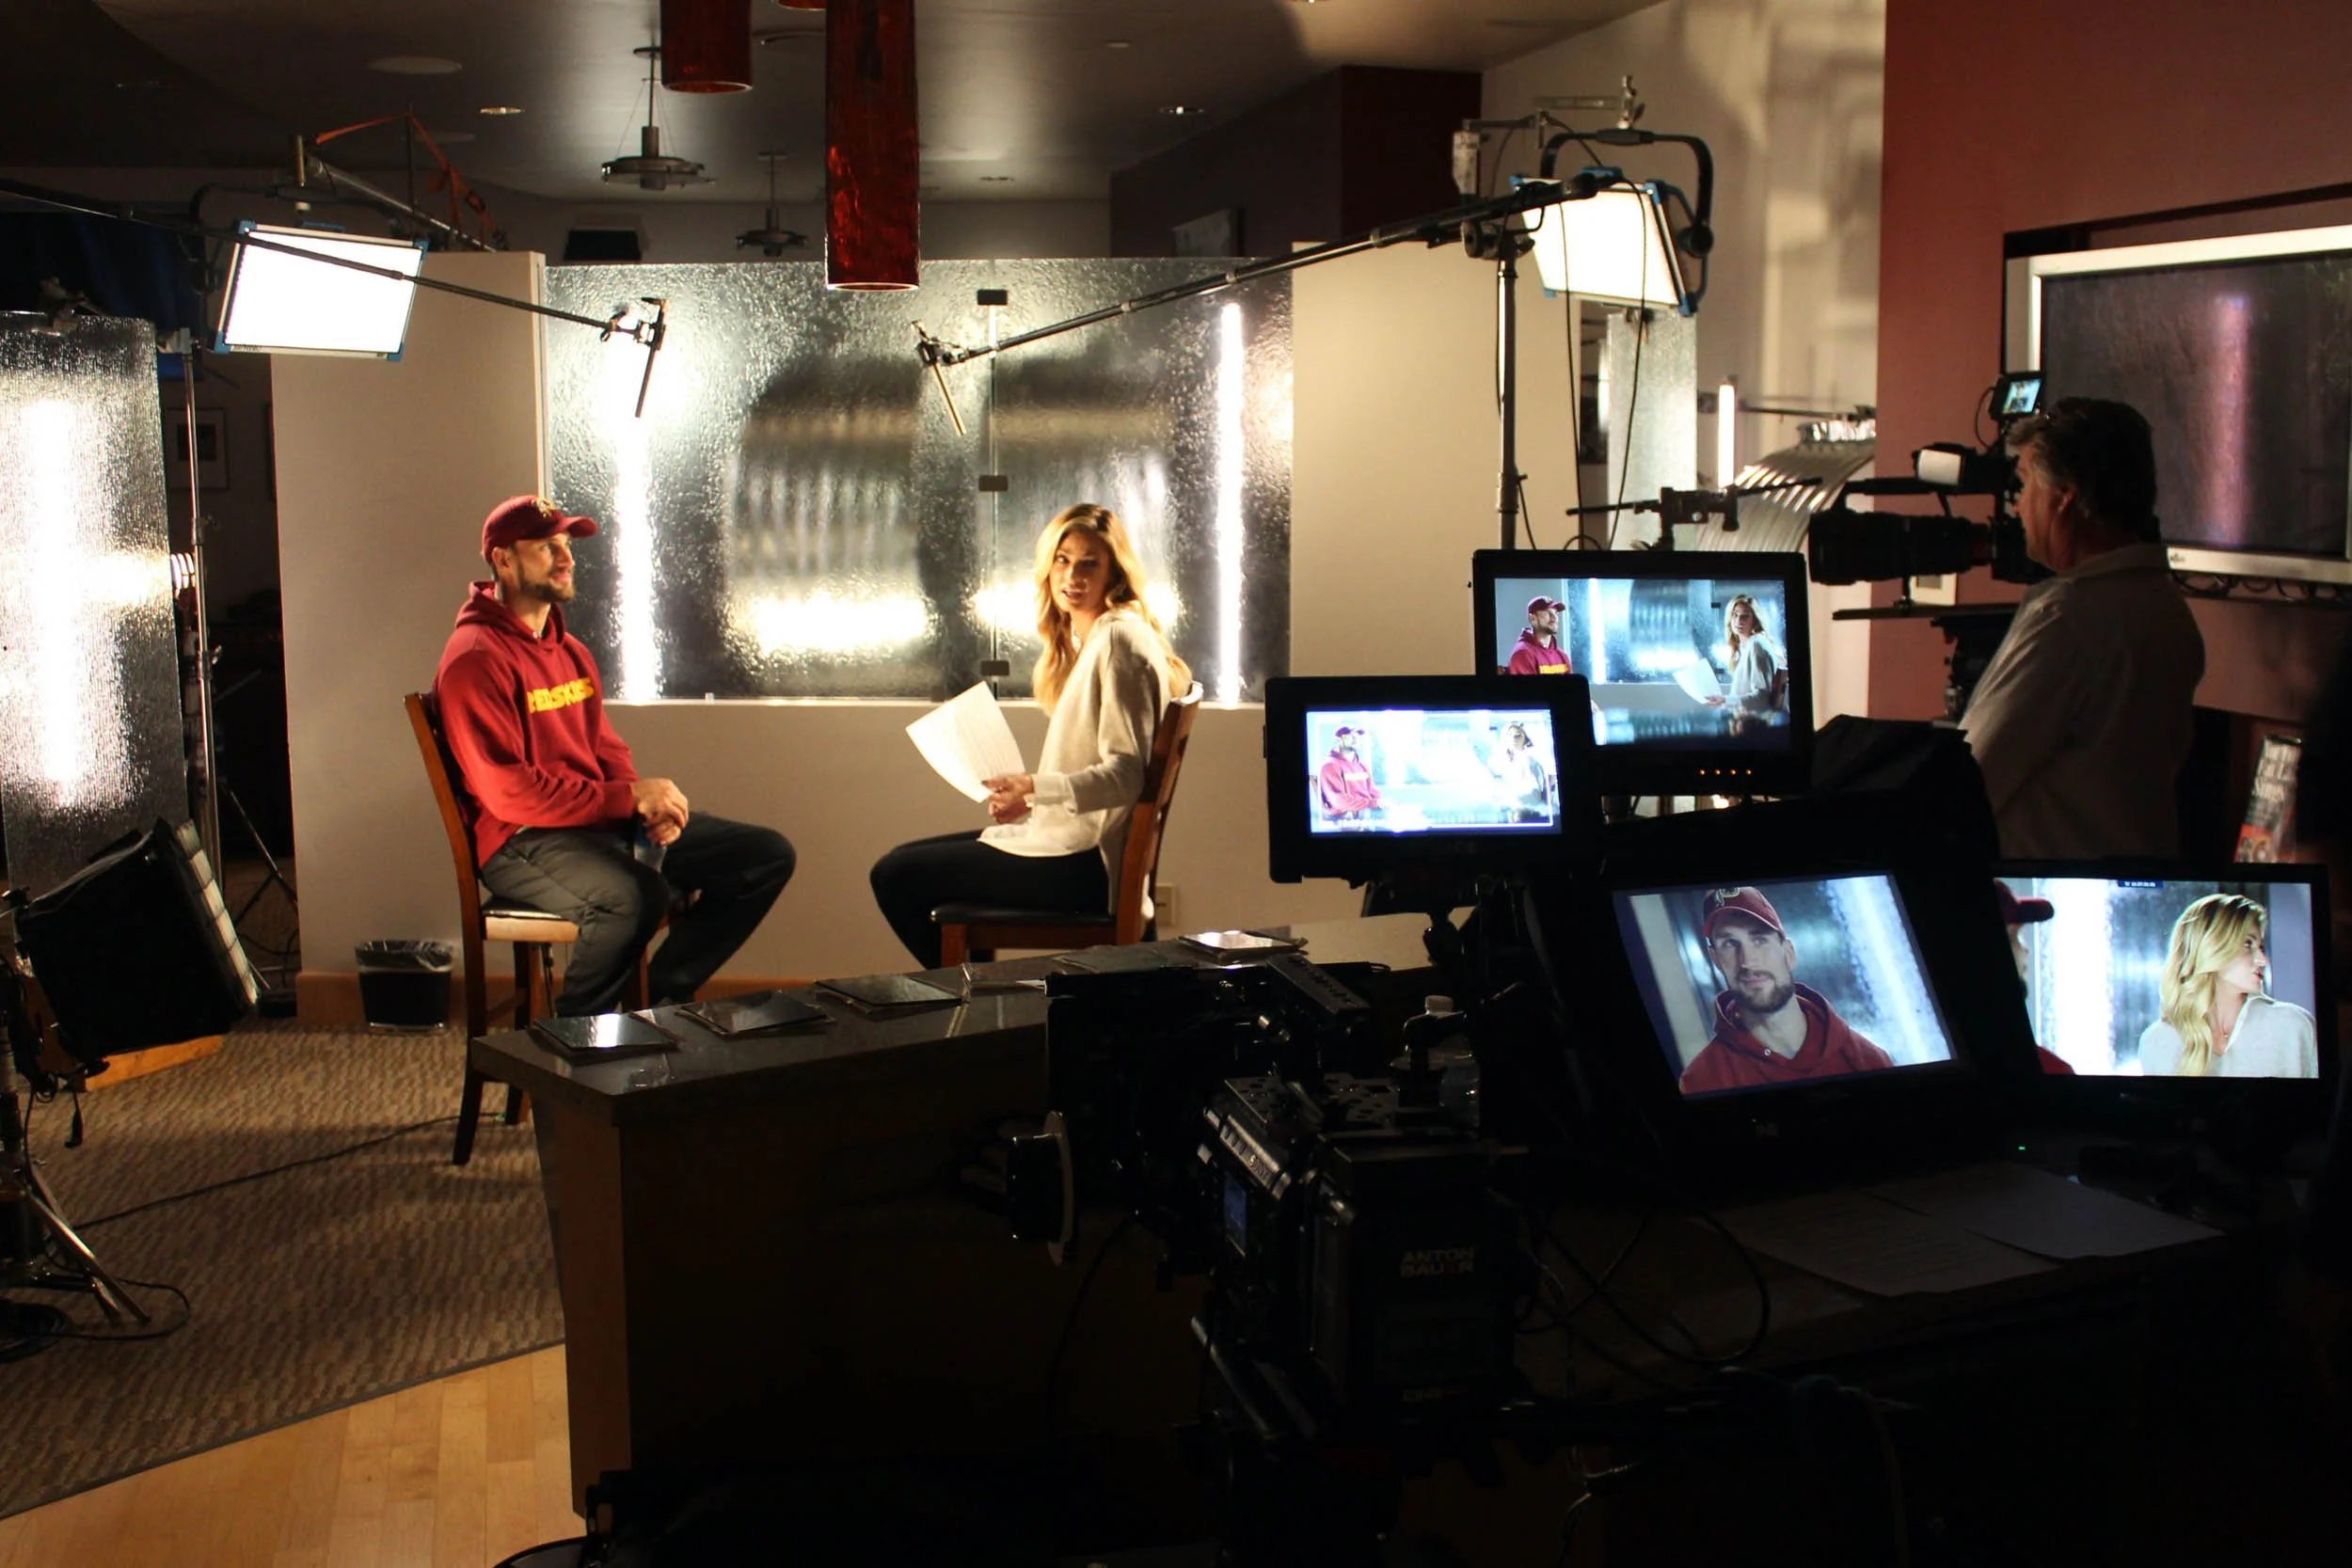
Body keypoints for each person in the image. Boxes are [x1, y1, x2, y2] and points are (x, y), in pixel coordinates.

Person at [433, 495, 798, 1016]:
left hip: (587, 824)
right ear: (503, 560)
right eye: (545, 547)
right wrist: (627, 799)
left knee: (763, 855)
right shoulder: (475, 659)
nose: (565, 558)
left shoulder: (569, 651)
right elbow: (509, 794)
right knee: (633, 897)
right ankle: (574, 1056)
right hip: (519, 841)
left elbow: (605, 748)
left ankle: (662, 998)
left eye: (567, 545)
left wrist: (646, 810)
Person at [868, 503, 1190, 968]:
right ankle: (975, 1002)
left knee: (895, 874)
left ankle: (968, 1004)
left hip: (1084, 867)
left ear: (1113, 573)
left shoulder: (1118, 642)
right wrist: (1032, 798)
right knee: (902, 860)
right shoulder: (1099, 637)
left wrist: (1037, 787)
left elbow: (1125, 776)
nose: (1072, 576)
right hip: (1070, 846)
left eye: (1089, 564)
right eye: (1063, 560)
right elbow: (1100, 775)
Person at [1958, 398, 2205, 858]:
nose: (2017, 507)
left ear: (2063, 497)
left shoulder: (2066, 617)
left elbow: (1972, 776)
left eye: (2025, 484)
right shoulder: (2167, 607)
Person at [1677, 886, 1897, 1095]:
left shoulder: (1867, 1060)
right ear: (1716, 960)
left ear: (1789, 954)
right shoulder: (1701, 1081)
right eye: (1730, 944)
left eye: (1759, 939)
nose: (1748, 962)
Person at [2136, 893, 2317, 1079]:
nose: (2263, 960)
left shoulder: (2293, 1025)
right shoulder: (2157, 1041)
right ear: (2211, 946)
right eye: (2248, 944)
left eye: (2261, 946)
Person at [1722, 594, 1788, 720]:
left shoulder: (1756, 645)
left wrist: (1725, 700)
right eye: (1735, 615)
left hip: (1753, 725)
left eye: (1745, 616)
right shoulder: (1744, 648)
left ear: (1755, 619)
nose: (1739, 620)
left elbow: (1761, 697)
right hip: (1743, 721)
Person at [1488, 721, 1550, 822]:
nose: (1513, 738)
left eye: (1517, 736)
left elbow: (1534, 794)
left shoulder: (1529, 760)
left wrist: (1510, 798)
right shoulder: (1505, 764)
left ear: (1525, 739)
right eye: (1510, 735)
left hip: (1530, 814)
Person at [1317, 726, 1381, 821]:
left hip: (1366, 817)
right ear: (1338, 740)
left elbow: (1374, 793)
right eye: (1351, 736)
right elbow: (1339, 801)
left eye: (1358, 736)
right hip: (1345, 820)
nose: (1356, 739)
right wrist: (1373, 803)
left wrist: (1379, 803)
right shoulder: (1330, 766)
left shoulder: (1362, 766)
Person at [1504, 595, 1573, 675]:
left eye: (1555, 613)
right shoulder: (1522, 654)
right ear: (1533, 619)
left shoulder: (1562, 656)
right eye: (1548, 613)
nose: (1554, 618)